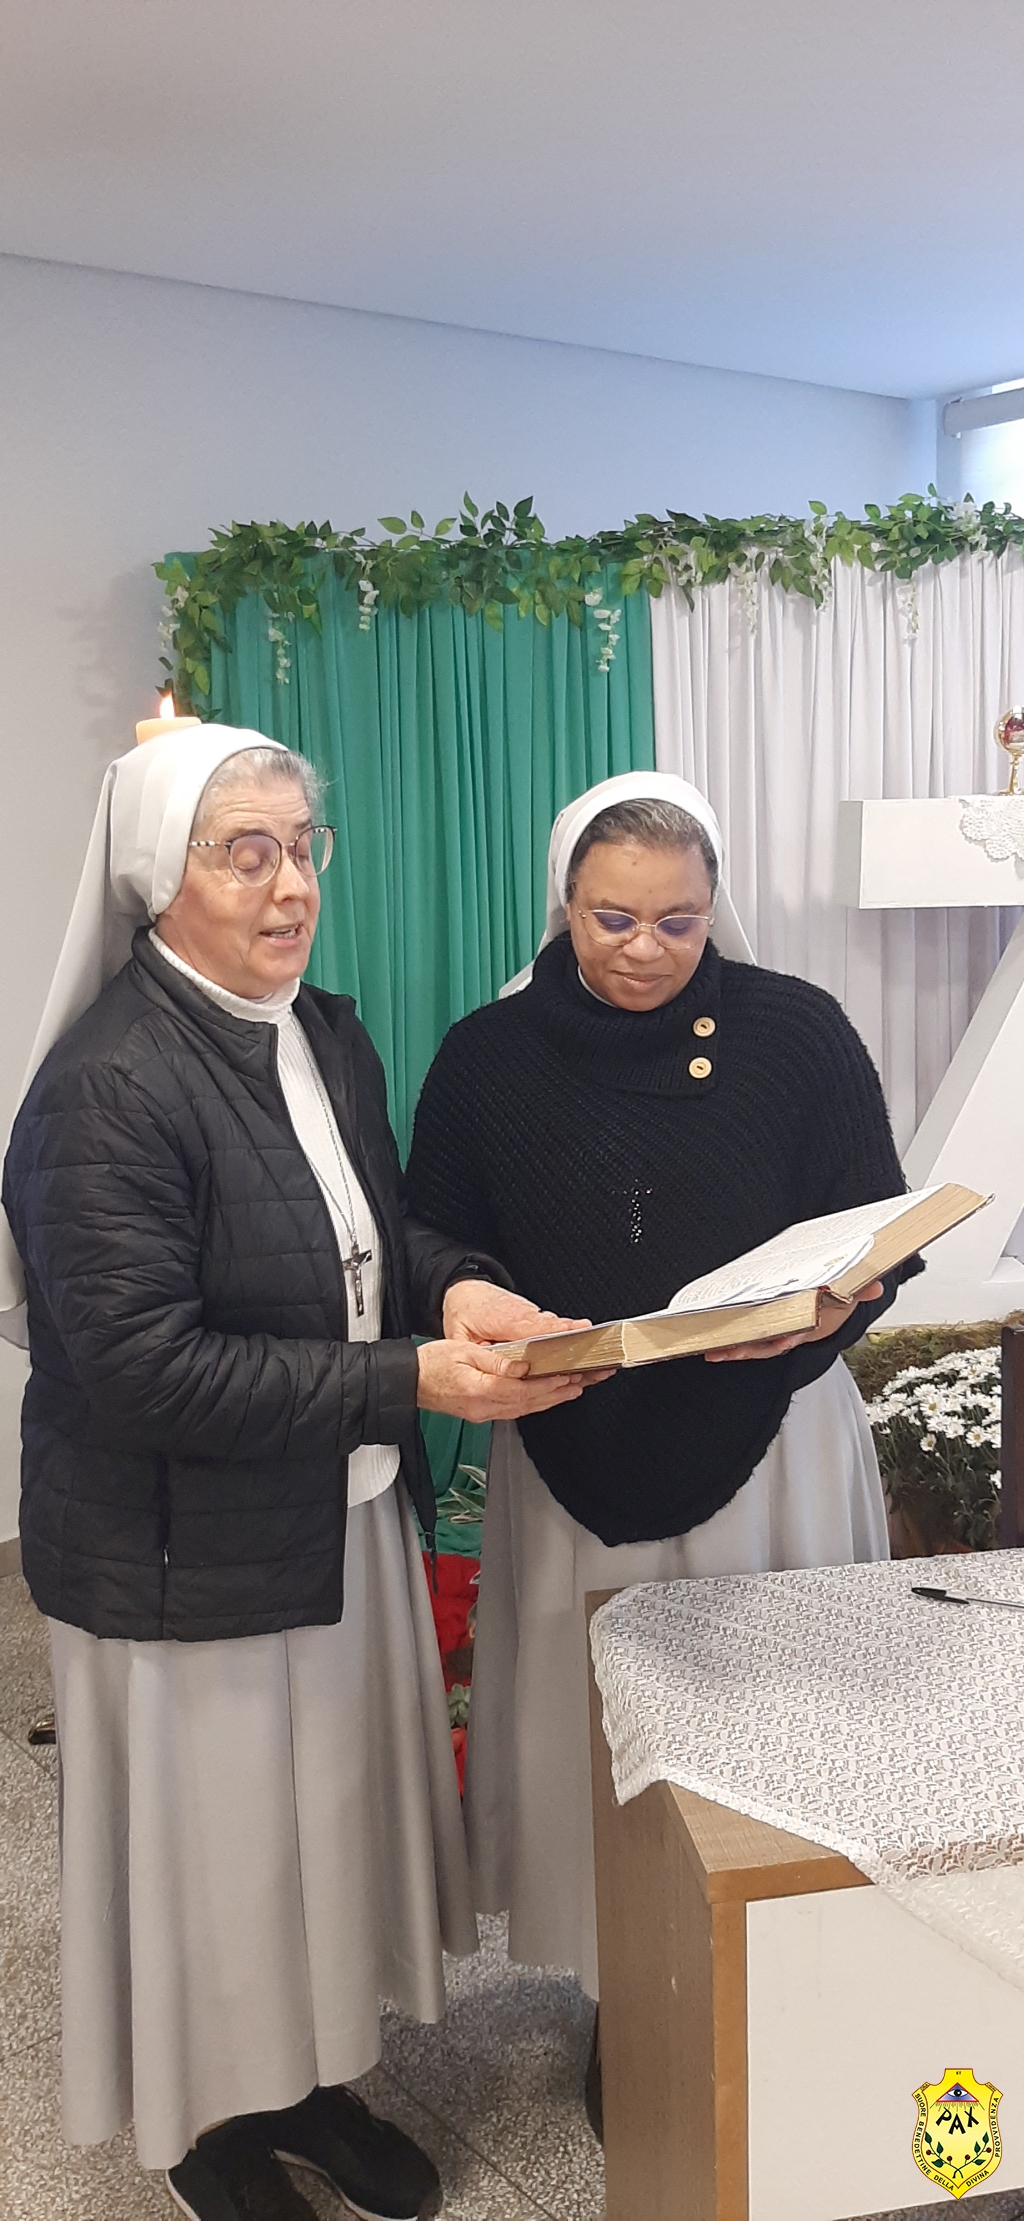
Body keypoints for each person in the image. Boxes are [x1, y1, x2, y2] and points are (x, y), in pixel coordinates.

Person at [0, 725, 598, 2221]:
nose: (290, 886)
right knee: (220, 1865)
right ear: (160, 878)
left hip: (331, 1514)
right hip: (176, 1555)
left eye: (302, 846)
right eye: (244, 853)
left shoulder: (318, 1030)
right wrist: (410, 1379)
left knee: (316, 1841)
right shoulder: (107, 1085)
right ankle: (210, 2123)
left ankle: (309, 2075)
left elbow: (370, 1238)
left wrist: (458, 1288)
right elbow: (143, 1370)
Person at [405, 770, 919, 2121]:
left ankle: (806, 1967)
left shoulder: (797, 1031)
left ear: (715, 905)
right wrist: (465, 1287)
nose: (645, 949)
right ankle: (625, 1994)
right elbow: (429, 1231)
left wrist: (835, 1306)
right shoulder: (486, 1054)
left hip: (773, 1438)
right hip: (573, 1448)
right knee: (604, 1746)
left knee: (787, 1720)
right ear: (564, 902)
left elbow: (878, 1229)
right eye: (613, 918)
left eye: (678, 921)